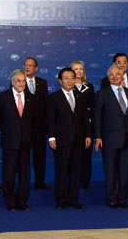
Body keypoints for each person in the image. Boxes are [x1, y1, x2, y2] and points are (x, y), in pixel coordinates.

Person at [94, 65, 128, 209]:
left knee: (124, 171)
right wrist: (98, 136)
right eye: (111, 74)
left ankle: (122, 199)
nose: (114, 76)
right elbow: (97, 117)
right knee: (111, 170)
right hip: (109, 138)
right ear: (108, 77)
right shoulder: (102, 93)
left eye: (117, 74)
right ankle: (111, 198)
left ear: (122, 76)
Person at [48, 68, 91, 210]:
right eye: (66, 78)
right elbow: (51, 119)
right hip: (61, 141)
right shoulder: (54, 97)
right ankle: (60, 200)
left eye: (72, 78)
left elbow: (85, 118)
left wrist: (88, 135)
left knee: (75, 172)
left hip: (78, 140)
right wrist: (52, 137)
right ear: (60, 81)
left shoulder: (80, 96)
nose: (69, 81)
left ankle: (73, 199)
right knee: (61, 171)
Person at [0, 69, 33, 211]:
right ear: (12, 82)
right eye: (18, 81)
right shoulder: (3, 97)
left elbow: (34, 120)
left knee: (24, 174)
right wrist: (8, 131)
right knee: (8, 174)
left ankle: (22, 202)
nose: (21, 84)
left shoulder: (31, 97)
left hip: (25, 143)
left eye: (23, 81)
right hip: (10, 142)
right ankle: (10, 202)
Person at [101, 53, 128, 189]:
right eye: (118, 62)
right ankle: (112, 194)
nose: (122, 64)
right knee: (112, 166)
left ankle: (126, 188)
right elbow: (102, 111)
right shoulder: (104, 86)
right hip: (111, 133)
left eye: (125, 62)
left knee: (126, 164)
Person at [23, 57, 51, 190]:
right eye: (26, 65)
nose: (27, 68)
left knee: (40, 156)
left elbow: (46, 105)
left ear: (36, 68)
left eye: (31, 65)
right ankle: (25, 181)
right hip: (24, 128)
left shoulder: (42, 82)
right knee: (24, 156)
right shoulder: (18, 81)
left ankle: (40, 181)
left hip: (40, 128)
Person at [70, 61, 96, 189]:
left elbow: (94, 106)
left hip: (88, 126)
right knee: (74, 155)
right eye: (75, 69)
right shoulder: (68, 87)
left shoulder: (89, 86)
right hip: (73, 127)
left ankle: (85, 181)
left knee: (86, 154)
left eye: (80, 69)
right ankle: (73, 180)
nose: (78, 71)